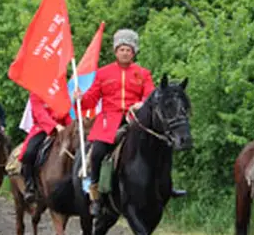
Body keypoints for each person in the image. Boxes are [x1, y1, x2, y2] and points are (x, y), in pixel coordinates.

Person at [73, 28, 186, 217]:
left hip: (135, 120)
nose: (125, 53)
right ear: (116, 51)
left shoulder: (143, 73)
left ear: (134, 52)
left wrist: (141, 103)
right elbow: (91, 99)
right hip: (109, 122)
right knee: (98, 151)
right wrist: (80, 97)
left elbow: (150, 94)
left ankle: (167, 186)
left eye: (129, 50)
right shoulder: (103, 73)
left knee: (163, 146)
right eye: (121, 49)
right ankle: (96, 195)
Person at [18, 92, 72, 202]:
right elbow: (40, 114)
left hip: (64, 129)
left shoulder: (60, 91)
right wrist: (55, 126)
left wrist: (70, 126)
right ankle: (30, 186)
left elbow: (67, 112)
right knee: (29, 153)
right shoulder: (36, 93)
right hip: (43, 129)